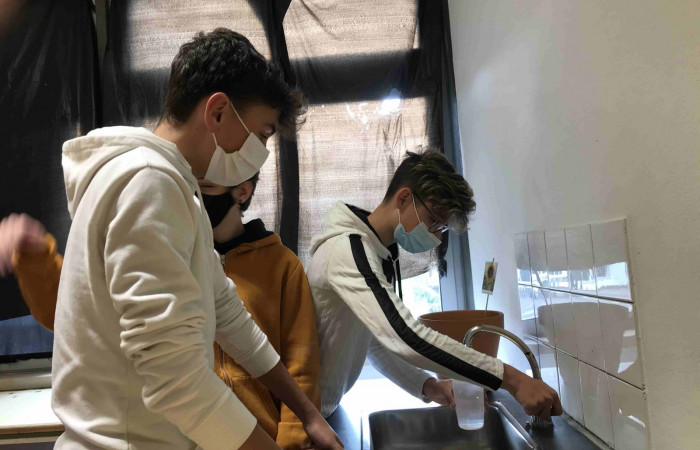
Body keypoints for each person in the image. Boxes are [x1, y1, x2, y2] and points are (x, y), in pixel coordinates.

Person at [50, 28, 340, 450]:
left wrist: (306, 412)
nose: (260, 153)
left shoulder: (173, 186)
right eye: (262, 134)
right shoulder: (150, 183)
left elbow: (226, 311)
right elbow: (177, 382)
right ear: (218, 112)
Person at [307, 149, 563, 421]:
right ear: (404, 199)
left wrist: (430, 386)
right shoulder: (348, 252)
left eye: (442, 228)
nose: (437, 237)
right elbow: (407, 336)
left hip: (322, 410)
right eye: (434, 222)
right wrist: (513, 379)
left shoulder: (374, 253)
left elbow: (375, 343)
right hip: (302, 415)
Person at [201, 174, 321, 449]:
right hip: (194, 432)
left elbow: (301, 364)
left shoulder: (283, 265)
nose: (195, 195)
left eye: (206, 186)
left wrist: (292, 440)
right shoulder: (179, 260)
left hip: (266, 435)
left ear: (242, 191)